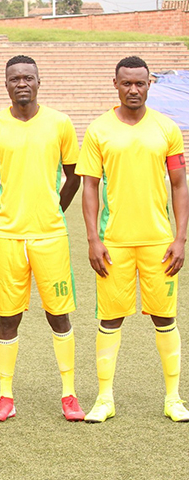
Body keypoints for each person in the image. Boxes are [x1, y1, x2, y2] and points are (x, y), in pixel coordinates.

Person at [76, 56, 189, 423]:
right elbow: (89, 187)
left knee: (165, 317)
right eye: (127, 83)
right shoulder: (98, 131)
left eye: (140, 83)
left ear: (150, 84)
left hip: (159, 242)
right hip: (115, 243)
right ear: (115, 84)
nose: (133, 90)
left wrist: (180, 238)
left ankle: (173, 398)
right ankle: (104, 398)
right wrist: (93, 238)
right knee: (110, 321)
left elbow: (179, 184)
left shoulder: (167, 128)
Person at [0, 55, 84, 422]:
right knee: (8, 317)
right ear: (5, 84)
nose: (21, 83)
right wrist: (9, 205)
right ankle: (5, 396)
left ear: (39, 81)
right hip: (9, 234)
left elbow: (74, 176)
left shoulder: (60, 123)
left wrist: (54, 208)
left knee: (59, 314)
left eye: (28, 77)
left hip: (51, 234)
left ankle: (69, 394)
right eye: (14, 78)